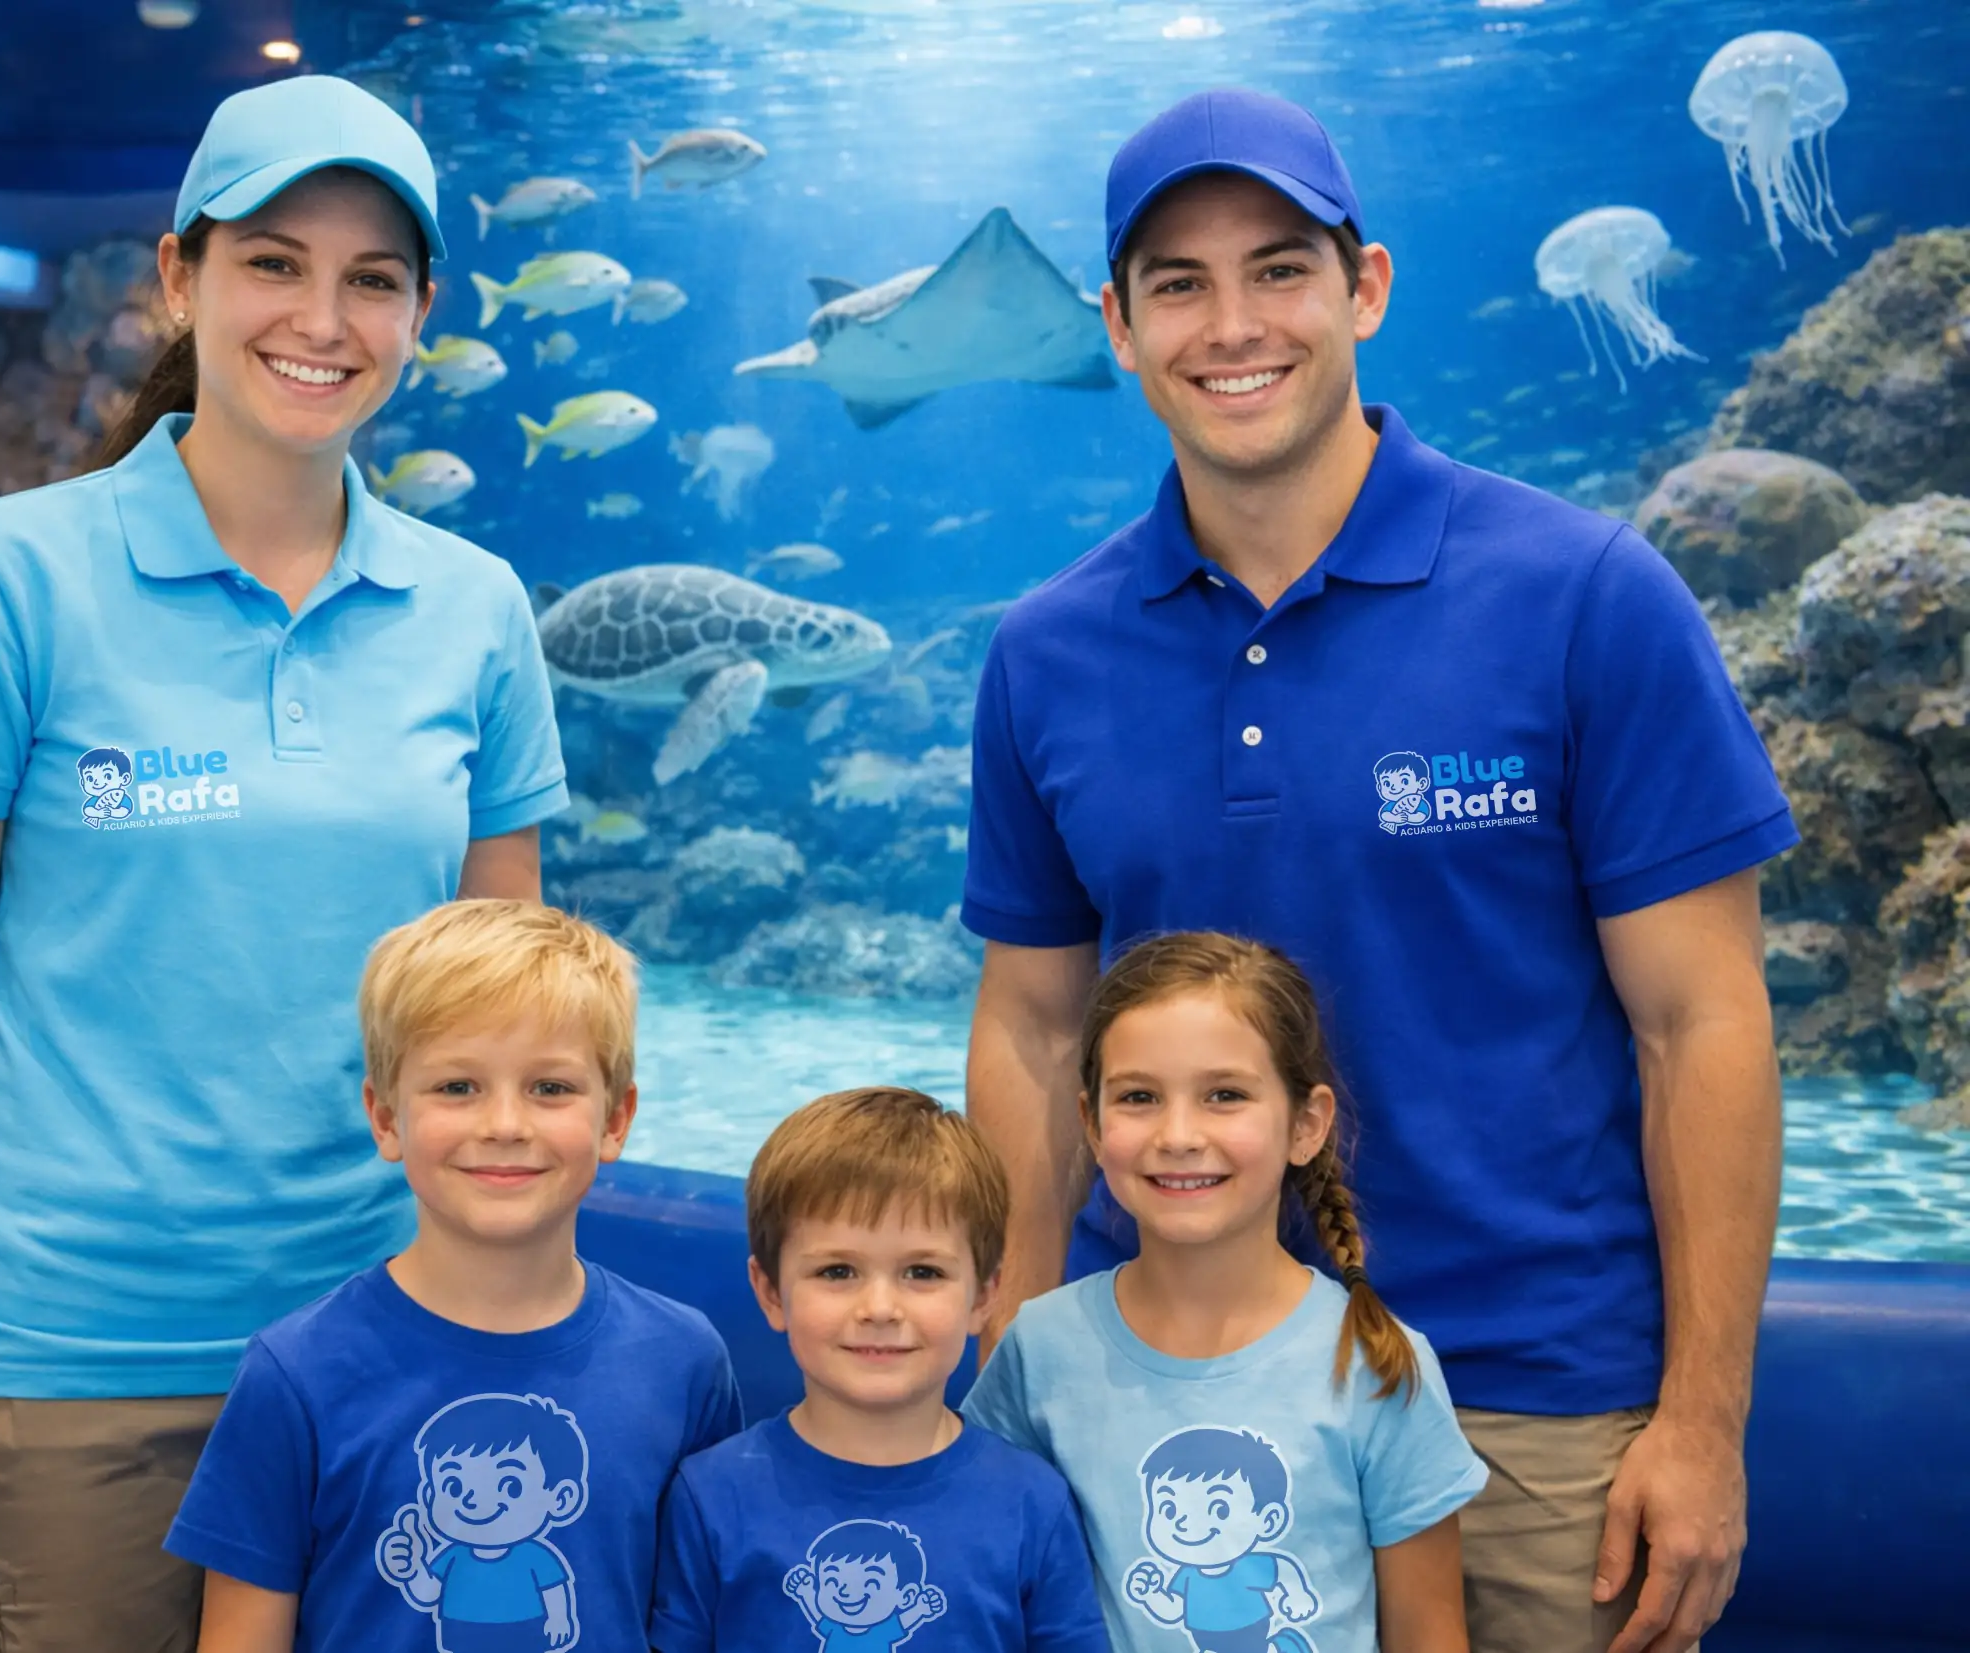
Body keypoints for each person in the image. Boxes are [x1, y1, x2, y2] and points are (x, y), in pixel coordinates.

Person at [963, 88, 1791, 1653]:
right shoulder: (1044, 654)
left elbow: (1708, 1027)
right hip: (1160, 1393)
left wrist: (1702, 1421)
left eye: (1280, 267)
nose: (1233, 325)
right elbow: (1030, 1027)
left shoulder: (1589, 596)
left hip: (1534, 1407)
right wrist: (1016, 1322)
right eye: (1179, 285)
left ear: (1368, 287)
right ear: (1120, 329)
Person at [0, 76, 571, 1651]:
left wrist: (522, 1309)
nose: (323, 315)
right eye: (275, 262)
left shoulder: (476, 607)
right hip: (60, 1351)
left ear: (421, 312)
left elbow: (517, 1010)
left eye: (373, 278)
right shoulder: (4, 575)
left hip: (386, 1338)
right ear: (179, 276)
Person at [167, 899, 742, 1652]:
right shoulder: (295, 1371)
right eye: (457, 1087)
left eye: (550, 1087)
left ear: (616, 1118)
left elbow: (698, 1618)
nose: (505, 1123)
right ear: (385, 1118)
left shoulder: (683, 1360)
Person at [966, 934, 1484, 1653]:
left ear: (1307, 1123)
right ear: (1091, 1121)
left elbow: (1429, 1637)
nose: (1179, 1134)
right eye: (1140, 1096)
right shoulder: (1039, 1347)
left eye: (1225, 1095)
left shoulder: (1376, 1361)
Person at [651, 1086, 1109, 1653]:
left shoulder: (1032, 1504)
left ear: (984, 1295)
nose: (880, 1309)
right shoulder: (710, 1496)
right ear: (770, 1292)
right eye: (838, 1271)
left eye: (922, 1273)